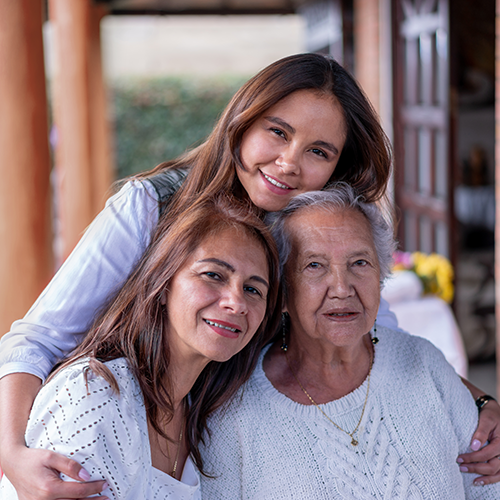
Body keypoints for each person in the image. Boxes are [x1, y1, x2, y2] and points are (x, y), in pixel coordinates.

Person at [0, 54, 498, 499]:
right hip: (126, 424)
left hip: (201, 445)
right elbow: (37, 336)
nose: (289, 163)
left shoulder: (305, 222)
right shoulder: (152, 205)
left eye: (318, 151)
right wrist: (10, 452)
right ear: (241, 121)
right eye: (278, 132)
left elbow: (373, 335)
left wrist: (474, 403)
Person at [201, 184, 500, 499]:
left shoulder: (423, 362)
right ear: (282, 291)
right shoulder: (234, 410)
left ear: (381, 276)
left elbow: (488, 489)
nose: (342, 288)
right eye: (314, 265)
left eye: (360, 263)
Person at [0, 194, 281, 500]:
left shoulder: (199, 414)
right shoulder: (94, 395)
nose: (236, 302)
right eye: (213, 275)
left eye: (253, 289)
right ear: (162, 285)